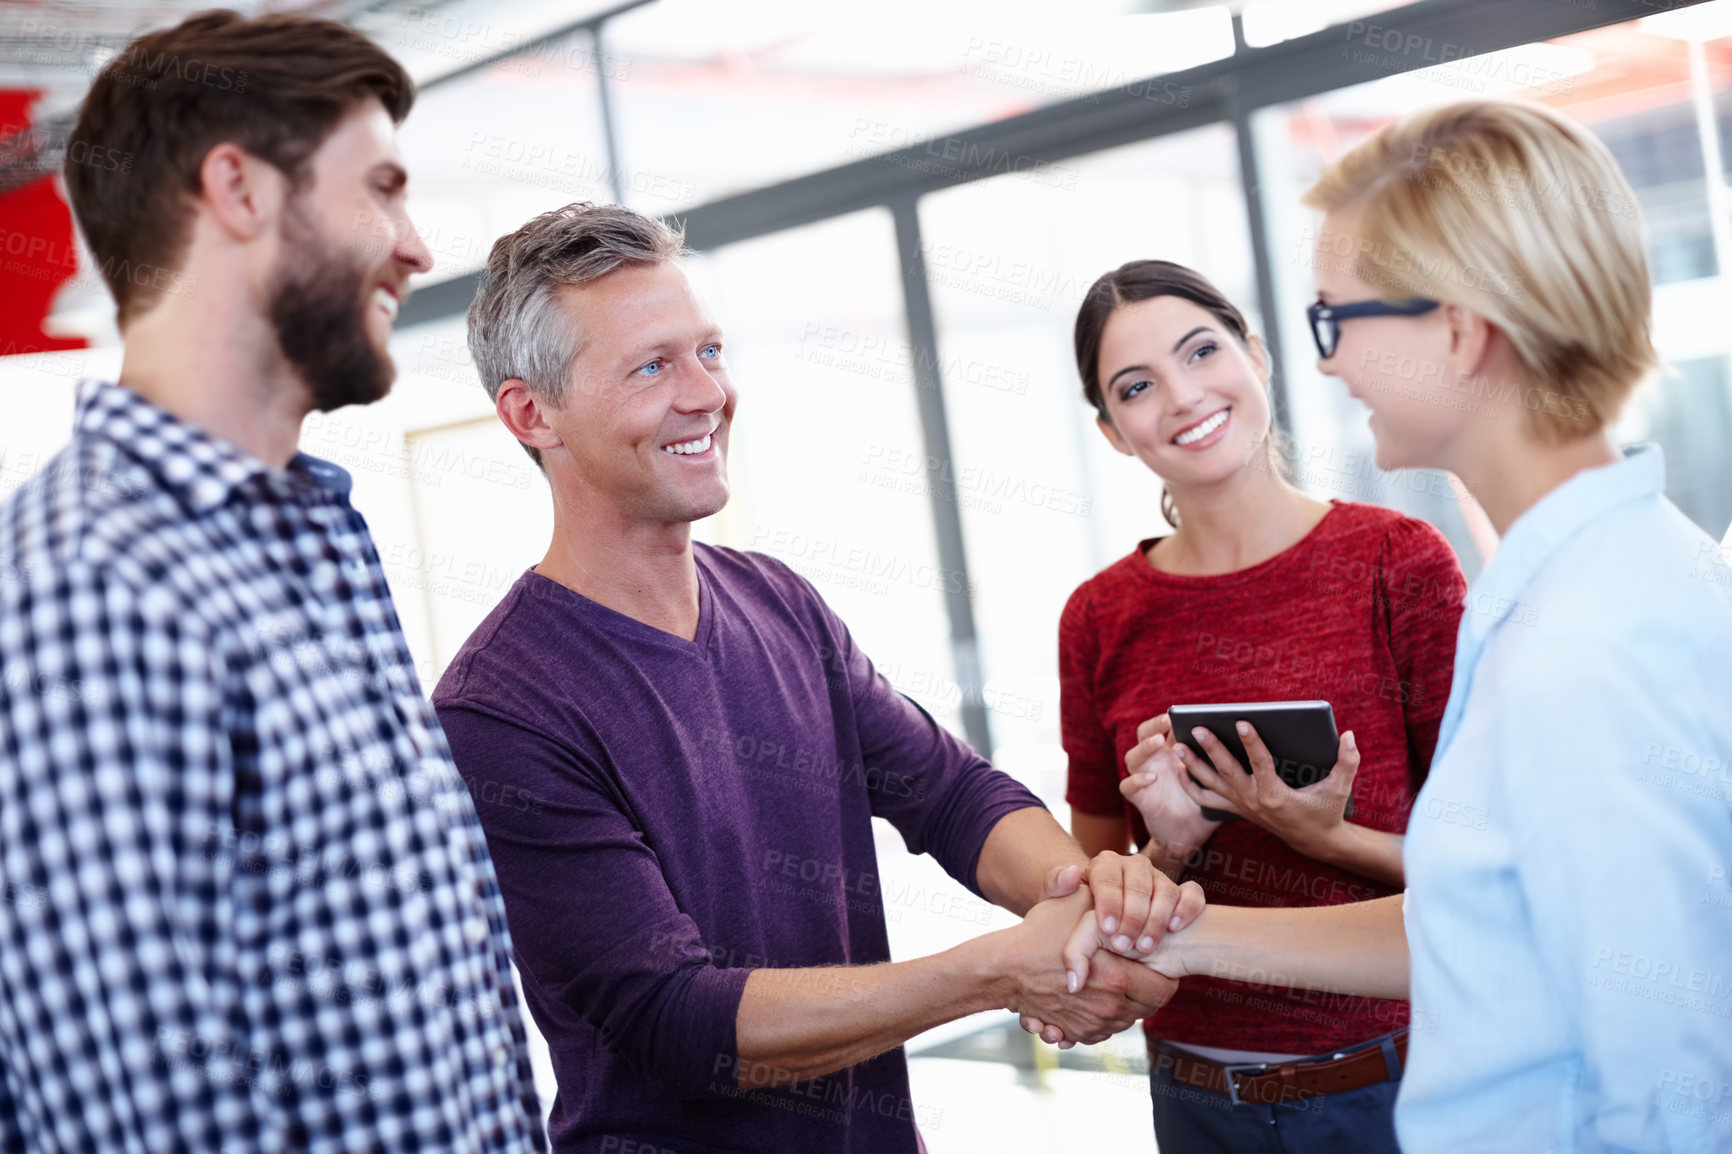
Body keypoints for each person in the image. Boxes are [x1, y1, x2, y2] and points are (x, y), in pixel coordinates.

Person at [431, 202, 1203, 1153]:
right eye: (650, 366)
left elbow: (952, 794)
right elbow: (675, 1018)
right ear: (529, 413)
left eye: (708, 351)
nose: (705, 393)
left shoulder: (776, 602)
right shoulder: (500, 710)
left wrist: (1086, 898)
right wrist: (999, 971)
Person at [0, 13, 547, 1151]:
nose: (414, 245)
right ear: (239, 189)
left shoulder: (313, 540)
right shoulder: (91, 586)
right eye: (381, 188)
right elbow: (155, 1119)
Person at [1144, 99, 1732, 1154]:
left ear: (1459, 327)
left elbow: (1670, 1085)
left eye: (1336, 320)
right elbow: (1489, 926)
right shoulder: (1579, 587)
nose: (1325, 364)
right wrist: (1187, 937)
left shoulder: (1584, 651)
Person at [1057, 259, 1464, 1152]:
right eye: (1137, 386)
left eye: (1202, 350)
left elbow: (1493, 873)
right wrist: (1169, 843)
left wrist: (1328, 839)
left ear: (1258, 354)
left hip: (1392, 1085)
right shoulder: (1097, 615)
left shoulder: (1401, 561)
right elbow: (1096, 891)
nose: (1182, 396)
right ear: (1113, 430)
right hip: (1193, 1098)